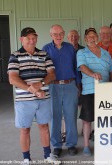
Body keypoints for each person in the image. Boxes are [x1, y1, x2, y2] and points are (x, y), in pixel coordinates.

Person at [8, 27, 60, 164]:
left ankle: (48, 156)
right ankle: (26, 158)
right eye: (28, 38)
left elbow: (52, 74)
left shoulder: (44, 54)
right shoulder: (15, 56)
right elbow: (12, 79)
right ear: (21, 39)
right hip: (24, 101)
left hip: (43, 98)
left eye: (34, 38)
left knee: (44, 126)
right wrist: (33, 89)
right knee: (25, 129)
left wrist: (40, 83)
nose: (32, 41)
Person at [77, 27, 112, 156]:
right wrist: (93, 74)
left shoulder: (106, 53)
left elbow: (111, 71)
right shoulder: (82, 52)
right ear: (85, 39)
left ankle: (104, 144)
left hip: (105, 90)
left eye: (94, 36)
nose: (92, 39)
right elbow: (82, 67)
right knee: (87, 120)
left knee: (104, 120)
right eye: (89, 37)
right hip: (89, 90)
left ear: (97, 38)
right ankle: (86, 146)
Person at [42, 24, 79, 157]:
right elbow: (43, 70)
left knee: (71, 116)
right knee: (55, 116)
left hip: (70, 85)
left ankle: (71, 144)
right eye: (55, 34)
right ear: (51, 35)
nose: (58, 36)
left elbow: (76, 67)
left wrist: (78, 85)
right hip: (53, 86)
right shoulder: (45, 49)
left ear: (64, 34)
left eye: (60, 34)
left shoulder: (70, 48)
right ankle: (56, 145)